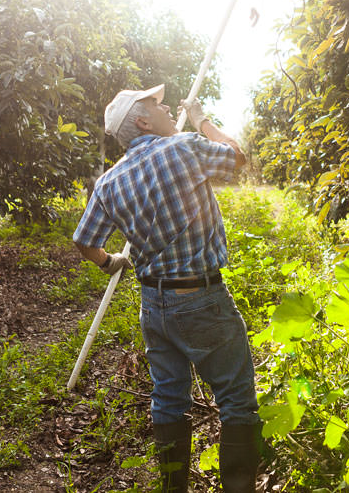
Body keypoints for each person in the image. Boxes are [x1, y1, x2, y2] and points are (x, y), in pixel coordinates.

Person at [72, 84, 262, 493]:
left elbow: (84, 240)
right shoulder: (183, 149)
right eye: (156, 105)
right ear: (143, 121)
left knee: (168, 398)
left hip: (153, 305)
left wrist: (110, 262)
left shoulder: (109, 182)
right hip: (201, 299)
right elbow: (238, 157)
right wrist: (200, 120)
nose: (164, 107)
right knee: (236, 400)